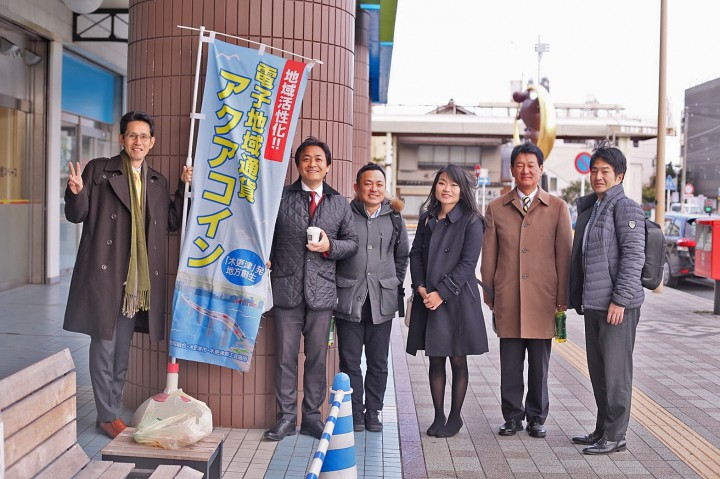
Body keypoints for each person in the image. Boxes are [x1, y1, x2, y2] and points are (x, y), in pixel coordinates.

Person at [63, 111, 193, 439]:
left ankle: (111, 408)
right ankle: (107, 415)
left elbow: (171, 222)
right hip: (105, 275)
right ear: (121, 139)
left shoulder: (156, 181)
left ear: (152, 142)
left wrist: (183, 186)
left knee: (122, 348)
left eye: (143, 137)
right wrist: (76, 192)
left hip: (137, 282)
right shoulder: (98, 171)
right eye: (131, 135)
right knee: (104, 345)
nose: (137, 142)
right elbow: (76, 216)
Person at [263, 137, 359, 441]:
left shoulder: (339, 203)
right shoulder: (281, 198)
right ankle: (286, 418)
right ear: (298, 165)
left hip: (322, 293)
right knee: (284, 357)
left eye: (319, 159)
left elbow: (352, 244)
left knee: (317, 358)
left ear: (328, 167)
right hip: (286, 290)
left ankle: (313, 417)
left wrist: (330, 246)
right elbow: (265, 236)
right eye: (306, 158)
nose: (313, 164)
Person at [481, 142, 572, 439]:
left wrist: (562, 299)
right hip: (508, 296)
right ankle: (512, 416)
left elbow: (564, 256)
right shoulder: (496, 208)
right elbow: (489, 254)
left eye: (532, 165)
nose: (525, 170)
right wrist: (490, 290)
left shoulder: (557, 207)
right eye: (520, 165)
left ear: (541, 170)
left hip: (543, 299)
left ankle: (536, 417)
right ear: (512, 170)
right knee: (509, 364)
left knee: (539, 366)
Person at [568, 143, 645, 455]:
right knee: (599, 373)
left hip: (616, 307)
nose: (598, 176)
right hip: (595, 304)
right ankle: (602, 429)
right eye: (594, 170)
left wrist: (620, 300)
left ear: (619, 176)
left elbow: (632, 257)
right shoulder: (595, 208)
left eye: (605, 172)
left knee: (616, 374)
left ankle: (616, 435)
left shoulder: (625, 208)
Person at [406, 164, 488, 438]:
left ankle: (455, 416)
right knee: (435, 357)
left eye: (453, 185)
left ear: (462, 189)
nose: (447, 189)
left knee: (456, 357)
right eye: (442, 183)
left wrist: (441, 293)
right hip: (428, 296)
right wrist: (420, 287)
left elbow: (467, 264)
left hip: (456, 299)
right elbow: (415, 254)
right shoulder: (427, 218)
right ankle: (438, 413)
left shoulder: (473, 220)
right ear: (435, 187)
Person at [335, 163, 409, 433]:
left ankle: (374, 411)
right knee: (350, 360)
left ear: (385, 188)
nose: (374, 189)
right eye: (368, 183)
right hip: (349, 298)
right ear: (357, 188)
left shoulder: (395, 218)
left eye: (379, 184)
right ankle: (355, 411)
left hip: (382, 300)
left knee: (378, 362)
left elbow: (402, 257)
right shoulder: (344, 214)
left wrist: (394, 282)